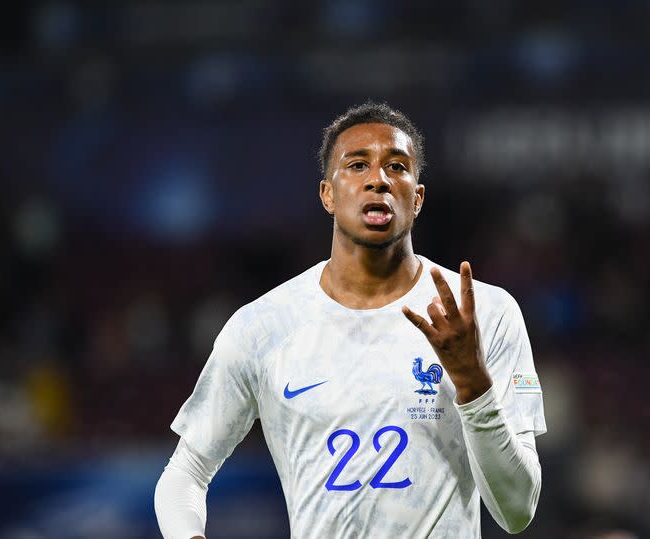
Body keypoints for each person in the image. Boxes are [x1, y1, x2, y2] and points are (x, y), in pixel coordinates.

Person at [154, 102, 546, 538]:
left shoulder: (485, 314)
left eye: (396, 167)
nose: (377, 179)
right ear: (328, 194)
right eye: (357, 165)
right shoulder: (263, 328)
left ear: (416, 198)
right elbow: (184, 473)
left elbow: (518, 510)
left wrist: (473, 383)